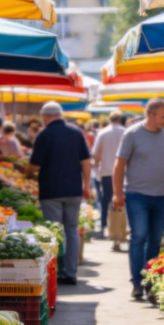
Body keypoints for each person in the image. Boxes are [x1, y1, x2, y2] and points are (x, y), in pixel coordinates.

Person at [113, 99, 164, 301]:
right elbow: (119, 165)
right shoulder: (132, 133)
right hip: (136, 195)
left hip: (162, 196)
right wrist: (117, 192)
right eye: (163, 116)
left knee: (155, 240)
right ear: (151, 114)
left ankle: (151, 283)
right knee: (138, 236)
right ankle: (137, 283)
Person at [26, 101, 91, 286]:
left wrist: (26, 170)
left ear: (45, 117)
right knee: (71, 230)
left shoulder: (44, 135)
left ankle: (56, 272)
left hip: (51, 191)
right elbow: (86, 162)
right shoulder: (76, 133)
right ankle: (70, 272)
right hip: (74, 190)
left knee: (55, 232)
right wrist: (86, 186)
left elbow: (35, 165)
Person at [91, 112, 125, 243]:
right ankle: (122, 229)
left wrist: (97, 165)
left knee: (106, 200)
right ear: (120, 119)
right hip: (123, 173)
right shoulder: (125, 132)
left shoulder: (102, 133)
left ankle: (104, 227)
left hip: (106, 172)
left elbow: (96, 153)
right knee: (122, 201)